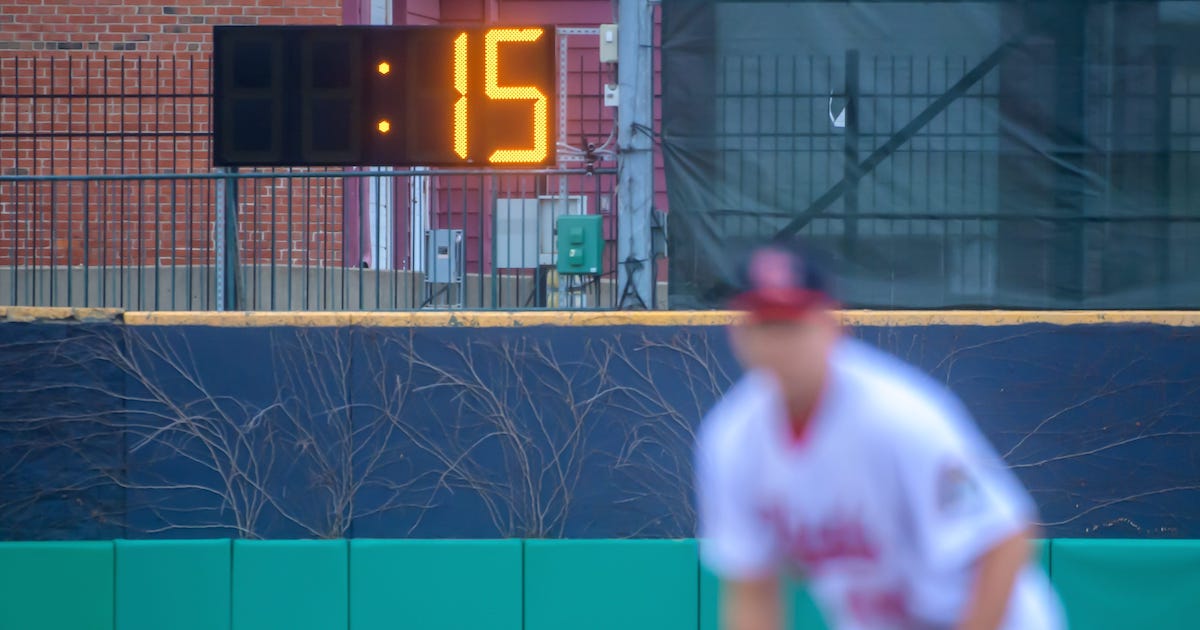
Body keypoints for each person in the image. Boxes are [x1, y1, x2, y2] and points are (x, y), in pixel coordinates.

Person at [694, 239, 1066, 630]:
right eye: (766, 325)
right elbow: (752, 586)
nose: (778, 343)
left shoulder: (898, 415)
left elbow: (1004, 539)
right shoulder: (732, 438)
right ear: (739, 334)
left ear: (833, 326)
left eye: (792, 324)